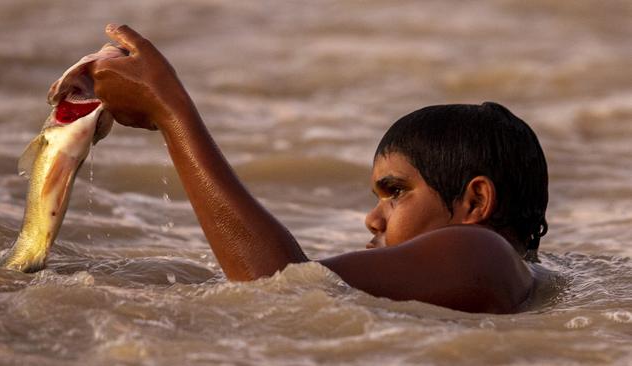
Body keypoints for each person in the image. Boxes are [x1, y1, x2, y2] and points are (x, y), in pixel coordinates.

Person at [90, 24, 548, 314]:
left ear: (475, 201)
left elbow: (277, 288)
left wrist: (170, 111)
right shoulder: (522, 273)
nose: (373, 218)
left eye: (395, 192)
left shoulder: (482, 251)